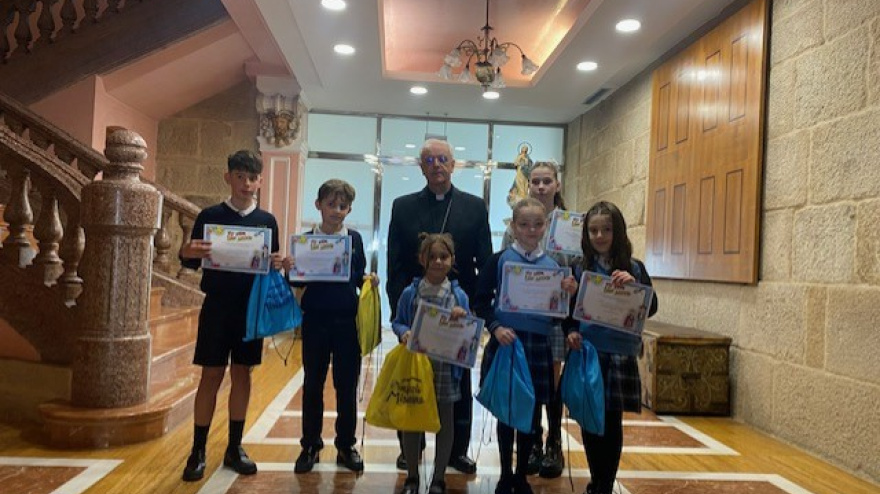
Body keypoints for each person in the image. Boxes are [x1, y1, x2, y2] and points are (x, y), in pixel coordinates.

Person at [387, 138, 492, 473]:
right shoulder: (402, 206)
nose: (437, 165)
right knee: (412, 381)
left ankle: (457, 451)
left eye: (443, 158)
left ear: (453, 164)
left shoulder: (474, 206)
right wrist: (400, 312)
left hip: (458, 310)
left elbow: (485, 262)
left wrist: (476, 312)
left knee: (457, 383)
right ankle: (410, 451)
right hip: (415, 308)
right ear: (421, 167)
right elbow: (396, 264)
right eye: (429, 160)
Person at [179, 150, 283, 482]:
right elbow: (190, 260)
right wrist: (186, 251)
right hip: (217, 307)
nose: (246, 184)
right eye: (240, 177)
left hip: (250, 310)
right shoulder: (209, 215)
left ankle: (234, 447)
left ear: (260, 181)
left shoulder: (267, 221)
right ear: (228, 178)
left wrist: (280, 263)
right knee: (210, 375)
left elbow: (270, 263)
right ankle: (198, 450)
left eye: (252, 178)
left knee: (243, 375)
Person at [474, 198, 578, 494]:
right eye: (523, 224)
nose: (531, 230)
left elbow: (565, 316)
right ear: (513, 226)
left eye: (537, 224)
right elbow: (480, 302)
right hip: (507, 343)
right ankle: (506, 474)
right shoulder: (499, 260)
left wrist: (570, 294)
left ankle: (521, 476)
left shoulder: (556, 267)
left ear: (546, 227)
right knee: (507, 413)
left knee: (531, 416)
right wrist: (495, 327)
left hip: (537, 345)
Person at [563, 201, 658, 494]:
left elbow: (651, 307)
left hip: (619, 354)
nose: (600, 236)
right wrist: (570, 332)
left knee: (612, 421)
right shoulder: (578, 268)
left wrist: (635, 287)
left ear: (618, 232)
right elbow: (566, 314)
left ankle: (605, 484)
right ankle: (596, 479)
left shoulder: (634, 268)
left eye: (606, 229)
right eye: (594, 230)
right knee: (590, 418)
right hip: (589, 353)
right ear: (586, 235)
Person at [287, 179, 376, 474]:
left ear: (349, 209)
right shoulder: (305, 239)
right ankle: (310, 444)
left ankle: (346, 444)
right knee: (312, 384)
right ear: (318, 205)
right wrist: (290, 269)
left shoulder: (355, 239)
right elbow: (298, 281)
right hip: (314, 319)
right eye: (331, 205)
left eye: (343, 206)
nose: (336, 211)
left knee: (346, 385)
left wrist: (370, 280)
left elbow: (357, 276)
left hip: (346, 321)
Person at [500, 161, 580, 478]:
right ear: (528, 185)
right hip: (524, 318)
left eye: (548, 181)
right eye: (536, 181)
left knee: (554, 386)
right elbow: (507, 268)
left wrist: (571, 284)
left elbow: (579, 267)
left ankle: (555, 444)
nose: (542, 186)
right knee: (531, 382)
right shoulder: (514, 225)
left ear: (557, 185)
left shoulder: (571, 225)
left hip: (557, 318)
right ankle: (532, 442)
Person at [392, 233, 471, 494]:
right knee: (412, 421)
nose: (437, 261)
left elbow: (469, 330)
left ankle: (439, 478)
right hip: (416, 365)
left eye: (443, 256)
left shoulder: (459, 296)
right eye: (432, 256)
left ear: (452, 259)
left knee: (445, 422)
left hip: (446, 368)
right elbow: (398, 321)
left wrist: (463, 318)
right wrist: (403, 332)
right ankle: (412, 477)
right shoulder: (410, 292)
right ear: (421, 259)